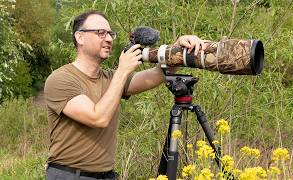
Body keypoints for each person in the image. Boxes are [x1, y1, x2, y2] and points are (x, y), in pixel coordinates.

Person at [44, 10, 205, 180]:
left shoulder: (110, 78)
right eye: (101, 33)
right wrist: (122, 71)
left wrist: (177, 49)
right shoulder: (61, 79)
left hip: (107, 175)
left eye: (110, 33)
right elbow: (97, 118)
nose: (109, 39)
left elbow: (157, 75)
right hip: (69, 175)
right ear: (80, 37)